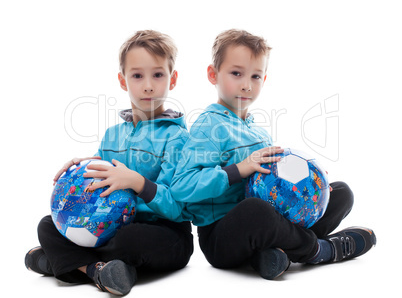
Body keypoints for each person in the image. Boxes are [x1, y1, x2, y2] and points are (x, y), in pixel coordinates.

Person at [170, 29, 376, 280]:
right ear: (213, 74)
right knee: (256, 210)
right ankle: (319, 250)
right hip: (222, 236)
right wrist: (239, 169)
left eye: (255, 76)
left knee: (341, 192)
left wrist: (313, 185)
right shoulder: (209, 126)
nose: (246, 84)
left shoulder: (258, 132)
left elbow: (274, 182)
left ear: (264, 79)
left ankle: (276, 254)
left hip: (267, 223)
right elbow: (181, 187)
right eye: (236, 73)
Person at [25, 30, 193, 295]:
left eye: (158, 75)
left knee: (132, 240)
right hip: (112, 225)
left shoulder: (179, 138)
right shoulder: (113, 135)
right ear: (123, 81)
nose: (148, 85)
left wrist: (137, 182)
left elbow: (178, 207)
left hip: (164, 231)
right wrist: (80, 170)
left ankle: (64, 262)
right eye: (137, 75)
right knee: (48, 224)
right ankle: (98, 271)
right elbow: (96, 184)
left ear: (172, 79)